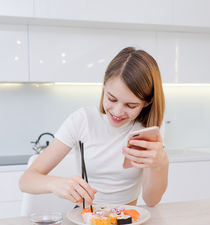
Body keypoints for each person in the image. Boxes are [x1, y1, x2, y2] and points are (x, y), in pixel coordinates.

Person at [19, 47, 168, 207]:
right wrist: (55, 184)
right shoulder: (82, 120)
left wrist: (161, 164)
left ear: (147, 102)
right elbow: (26, 181)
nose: (118, 112)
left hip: (128, 221)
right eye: (111, 98)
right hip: (86, 220)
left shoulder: (148, 130)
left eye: (131, 105)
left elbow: (152, 201)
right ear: (104, 86)